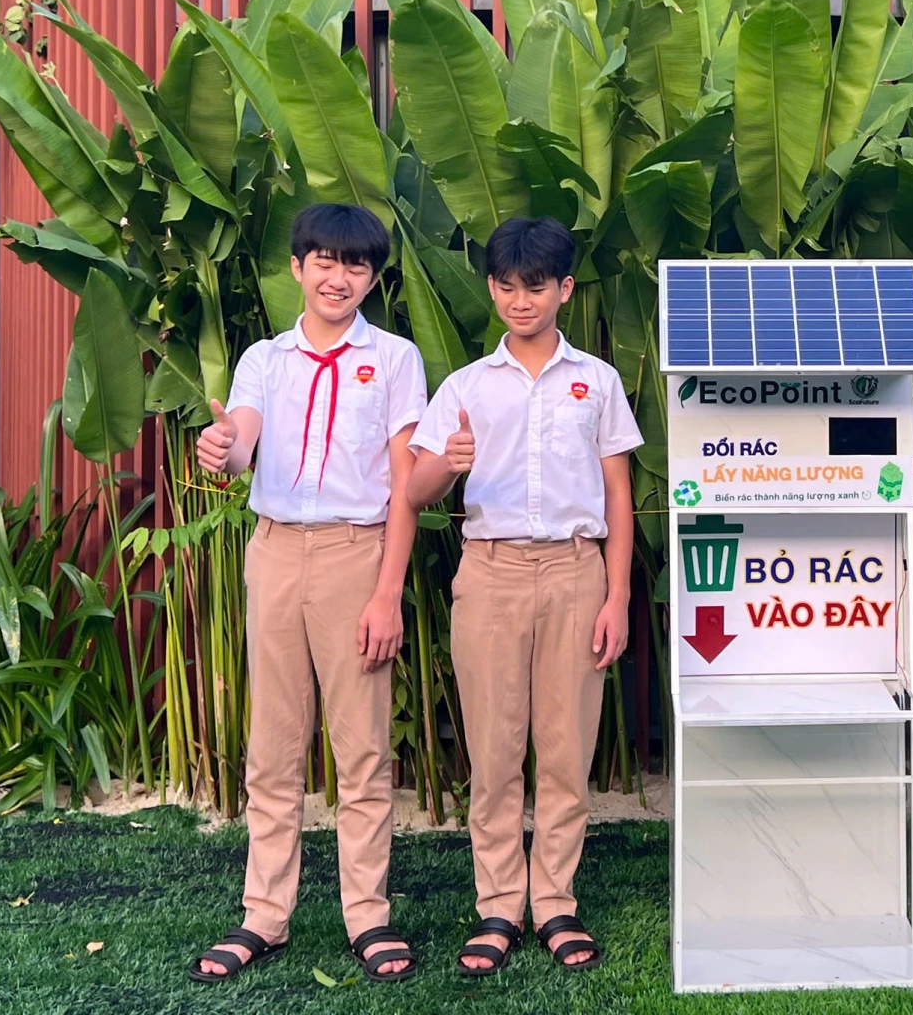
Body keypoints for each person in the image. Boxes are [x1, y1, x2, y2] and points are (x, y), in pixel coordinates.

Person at [188, 203, 427, 985]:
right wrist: (222, 448)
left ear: (371, 275)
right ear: (297, 268)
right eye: (323, 261)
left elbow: (404, 486)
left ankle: (369, 917)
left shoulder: (394, 359)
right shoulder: (264, 358)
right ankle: (265, 915)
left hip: (357, 556)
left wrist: (387, 592)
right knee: (274, 746)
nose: (338, 276)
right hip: (275, 553)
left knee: (361, 748)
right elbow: (243, 437)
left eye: (355, 265)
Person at [404, 216, 641, 978]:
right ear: (492, 288)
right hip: (491, 573)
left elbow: (618, 495)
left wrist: (618, 596)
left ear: (564, 288)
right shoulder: (465, 386)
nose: (520, 299)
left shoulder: (596, 380)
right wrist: (449, 464)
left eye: (535, 285)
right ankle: (500, 903)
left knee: (567, 748)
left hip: (577, 572)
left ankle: (557, 902)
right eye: (506, 285)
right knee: (496, 749)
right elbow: (414, 490)